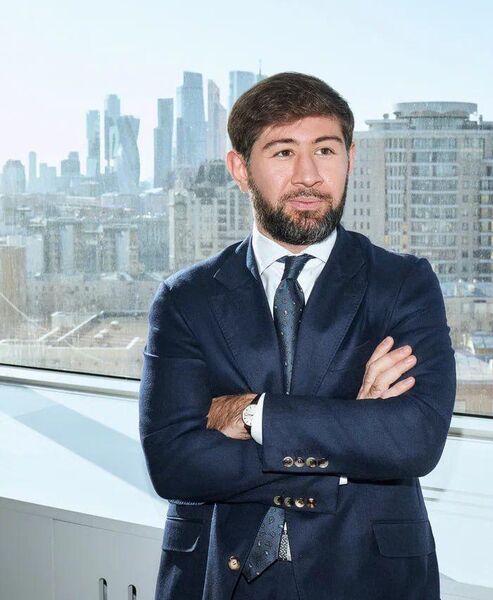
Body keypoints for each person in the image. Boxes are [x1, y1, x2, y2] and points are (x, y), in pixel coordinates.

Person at [139, 71, 456, 600]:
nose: (309, 175)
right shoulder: (184, 298)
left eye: (325, 150)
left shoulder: (403, 283)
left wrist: (252, 414)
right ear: (240, 168)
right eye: (283, 152)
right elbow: (174, 465)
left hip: (367, 576)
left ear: (350, 158)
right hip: (221, 575)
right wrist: (353, 430)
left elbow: (415, 440)